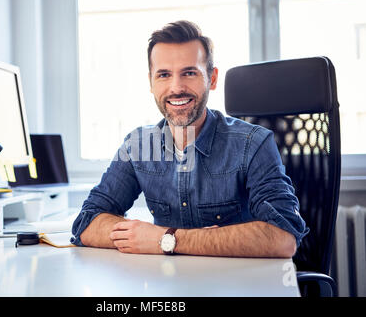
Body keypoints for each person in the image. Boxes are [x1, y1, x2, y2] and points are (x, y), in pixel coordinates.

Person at [70, 20, 308, 257]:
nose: (176, 87)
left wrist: (166, 239)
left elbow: (282, 238)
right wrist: (158, 238)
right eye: (163, 74)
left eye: (190, 73)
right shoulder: (138, 146)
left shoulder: (254, 144)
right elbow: (87, 222)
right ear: (151, 83)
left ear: (212, 79)